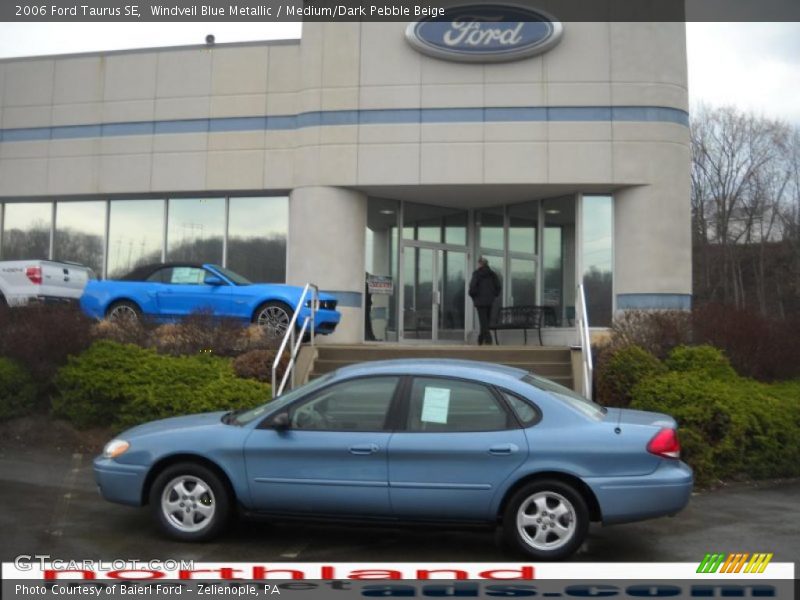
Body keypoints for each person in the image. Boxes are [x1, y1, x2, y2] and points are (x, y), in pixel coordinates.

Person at [468, 257, 501, 345]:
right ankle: (480, 339)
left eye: (478, 263)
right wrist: (494, 295)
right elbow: (498, 286)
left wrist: (474, 297)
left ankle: (489, 340)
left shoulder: (477, 274)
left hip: (480, 302)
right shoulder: (492, 274)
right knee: (485, 321)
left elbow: (472, 287)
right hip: (490, 301)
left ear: (480, 264)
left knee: (483, 321)